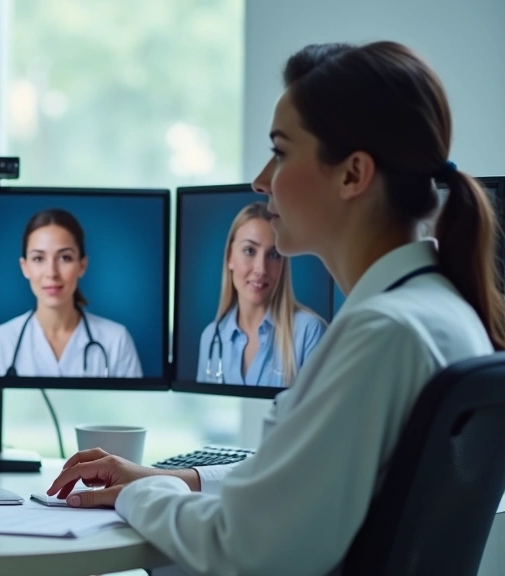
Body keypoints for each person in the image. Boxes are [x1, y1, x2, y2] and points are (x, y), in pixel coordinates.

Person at [44, 41, 505, 575]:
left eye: (281, 152)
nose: (263, 180)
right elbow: (306, 479)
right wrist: (174, 479)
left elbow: (242, 549)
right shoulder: (436, 311)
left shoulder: (381, 335)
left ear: (353, 175)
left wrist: (131, 498)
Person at [0, 208, 143, 377]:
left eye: (65, 258)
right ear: (25, 267)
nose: (52, 272)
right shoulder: (2, 340)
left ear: (82, 265)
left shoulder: (116, 340)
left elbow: (137, 404)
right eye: (38, 259)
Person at [196, 201, 327, 386]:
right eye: (249, 251)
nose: (261, 269)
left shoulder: (309, 332)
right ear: (229, 258)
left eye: (273, 255)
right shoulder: (210, 338)